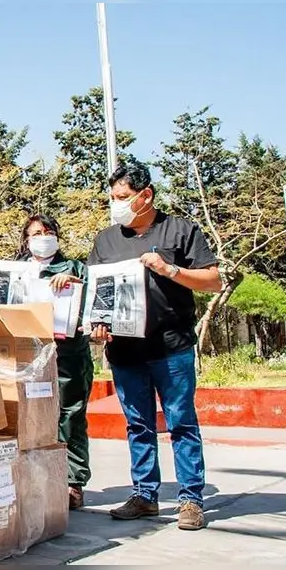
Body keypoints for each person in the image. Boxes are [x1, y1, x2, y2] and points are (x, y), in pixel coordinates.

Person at [88, 161, 222, 531]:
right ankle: (145, 495)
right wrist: (98, 327)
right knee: (138, 425)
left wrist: (170, 270)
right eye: (113, 198)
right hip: (125, 353)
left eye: (123, 197)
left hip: (171, 349)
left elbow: (213, 280)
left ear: (145, 195)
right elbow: (97, 294)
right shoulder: (106, 240)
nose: (117, 205)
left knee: (181, 423)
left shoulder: (181, 230)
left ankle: (191, 499)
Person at [0, 214, 95, 510]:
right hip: (26, 356)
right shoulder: (13, 270)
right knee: (26, 418)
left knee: (70, 416)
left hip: (68, 355)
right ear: (26, 240)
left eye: (49, 231)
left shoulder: (75, 267)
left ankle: (72, 482)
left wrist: (75, 284)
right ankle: (29, 478)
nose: (43, 236)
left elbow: (93, 300)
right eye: (36, 233)